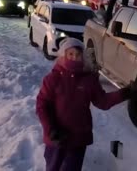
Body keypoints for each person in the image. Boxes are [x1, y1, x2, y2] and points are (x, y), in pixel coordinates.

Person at [36, 38, 131, 171]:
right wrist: (51, 129)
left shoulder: (89, 80)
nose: (74, 58)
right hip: (56, 138)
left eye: (78, 55)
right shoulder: (53, 79)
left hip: (78, 139)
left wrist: (126, 93)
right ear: (63, 55)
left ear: (83, 57)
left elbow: (103, 101)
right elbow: (42, 105)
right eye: (70, 54)